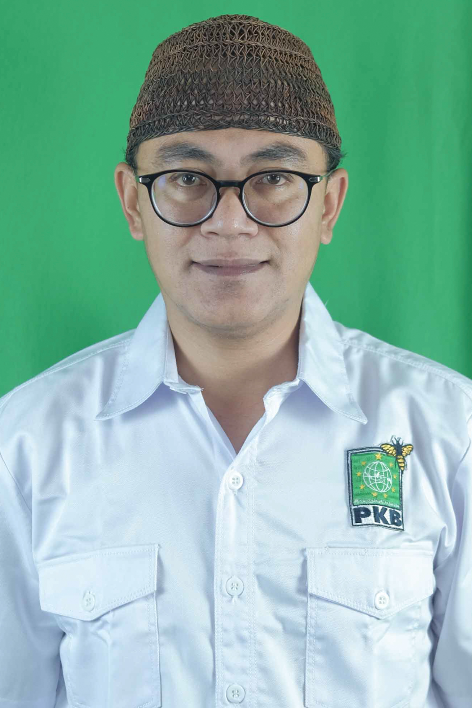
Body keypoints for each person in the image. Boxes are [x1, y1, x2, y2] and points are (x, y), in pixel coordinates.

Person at [0, 13, 470, 708]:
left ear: (329, 205)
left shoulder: (448, 433)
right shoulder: (25, 446)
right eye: (186, 177)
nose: (229, 222)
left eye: (274, 177)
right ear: (133, 202)